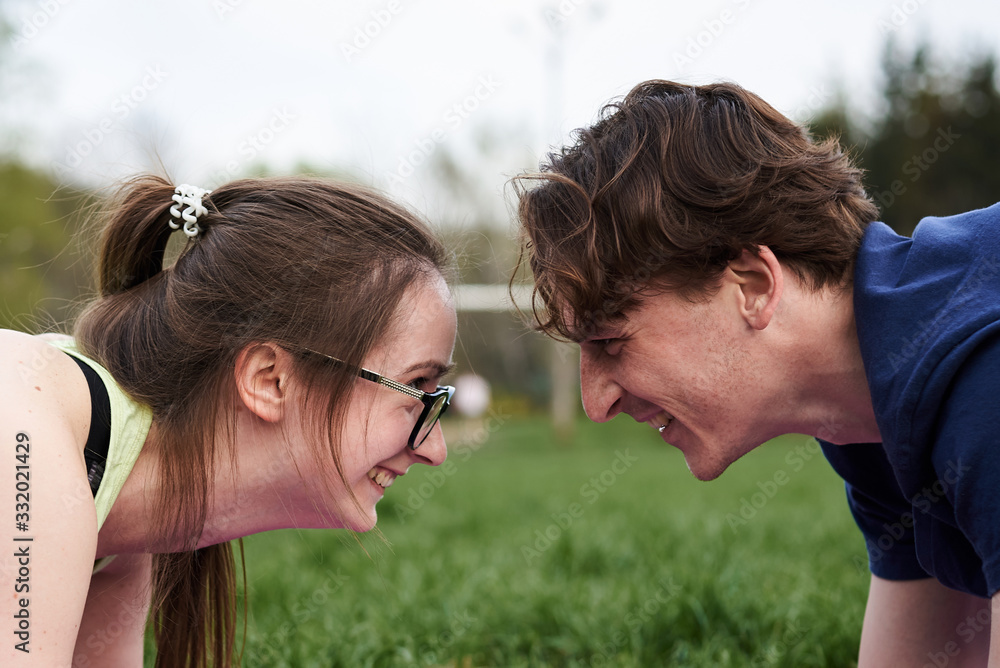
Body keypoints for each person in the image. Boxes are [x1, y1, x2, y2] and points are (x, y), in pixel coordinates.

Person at [512, 79, 1000, 665]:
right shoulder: (873, 419)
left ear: (753, 285)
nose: (596, 403)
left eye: (612, 340)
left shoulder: (978, 376)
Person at [0, 175, 458, 666]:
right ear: (270, 379)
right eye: (415, 391)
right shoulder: (27, 438)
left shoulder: (117, 508)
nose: (435, 450)